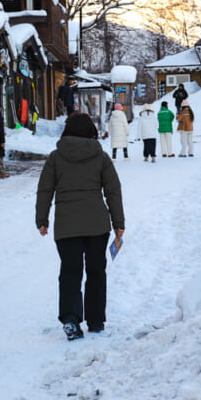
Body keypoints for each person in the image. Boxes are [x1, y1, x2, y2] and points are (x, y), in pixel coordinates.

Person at [36, 113, 125, 341]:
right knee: (96, 272)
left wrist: (42, 219)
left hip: (67, 225)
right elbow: (113, 191)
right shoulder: (100, 156)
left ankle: (71, 319)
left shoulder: (56, 157)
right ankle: (95, 320)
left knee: (70, 272)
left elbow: (45, 189)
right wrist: (118, 223)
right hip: (97, 225)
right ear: (91, 132)